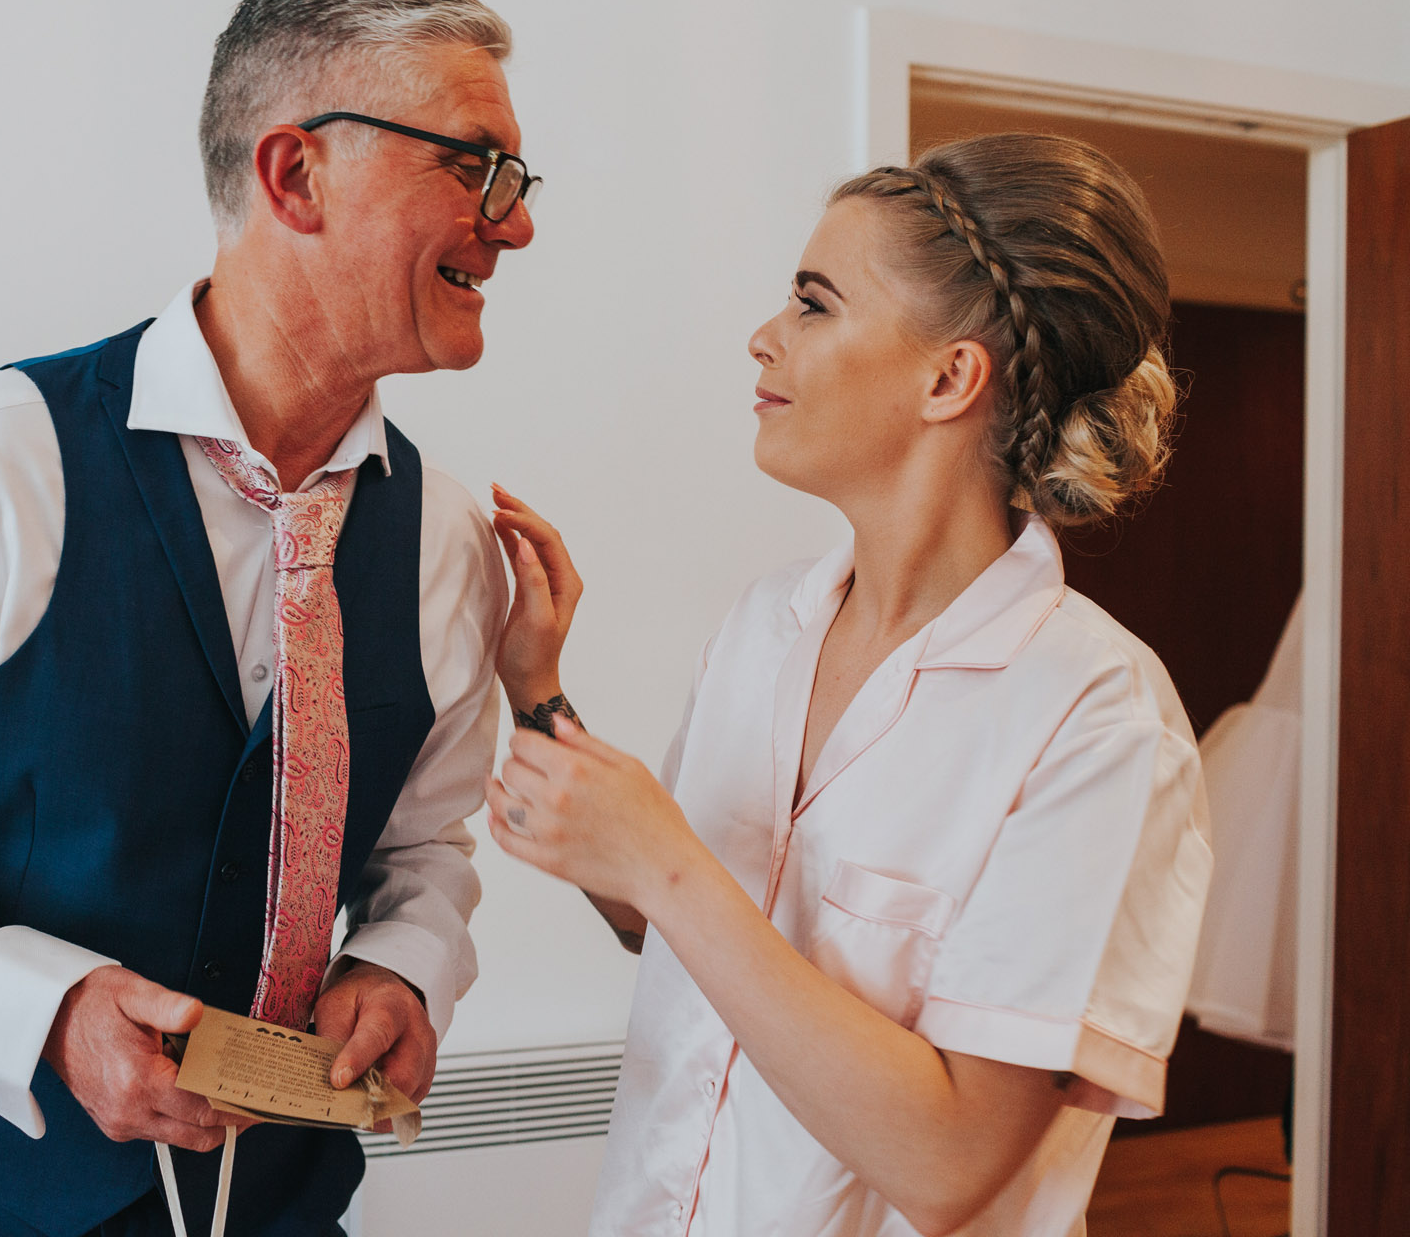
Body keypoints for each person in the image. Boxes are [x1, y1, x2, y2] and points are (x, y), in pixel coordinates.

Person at [0, 0, 533, 1235]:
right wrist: (43, 1002)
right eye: (473, 167)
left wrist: (400, 967)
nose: (512, 224)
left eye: (514, 182)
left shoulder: (450, 537)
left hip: (279, 1203)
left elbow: (421, 845)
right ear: (294, 175)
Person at [488, 133, 1211, 1236]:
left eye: (813, 304)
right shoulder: (762, 627)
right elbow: (663, 917)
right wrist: (539, 688)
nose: (763, 338)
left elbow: (948, 1155)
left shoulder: (1098, 718)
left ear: (947, 377)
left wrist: (666, 861)